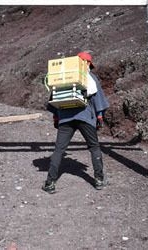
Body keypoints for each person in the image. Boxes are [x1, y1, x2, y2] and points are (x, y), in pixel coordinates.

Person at [42, 51, 110, 194]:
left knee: (59, 150)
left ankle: (50, 183)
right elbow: (98, 100)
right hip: (85, 117)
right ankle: (99, 179)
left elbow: (54, 99)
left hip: (65, 118)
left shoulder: (63, 76)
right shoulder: (90, 78)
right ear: (88, 63)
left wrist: (56, 117)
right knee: (94, 147)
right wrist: (99, 117)